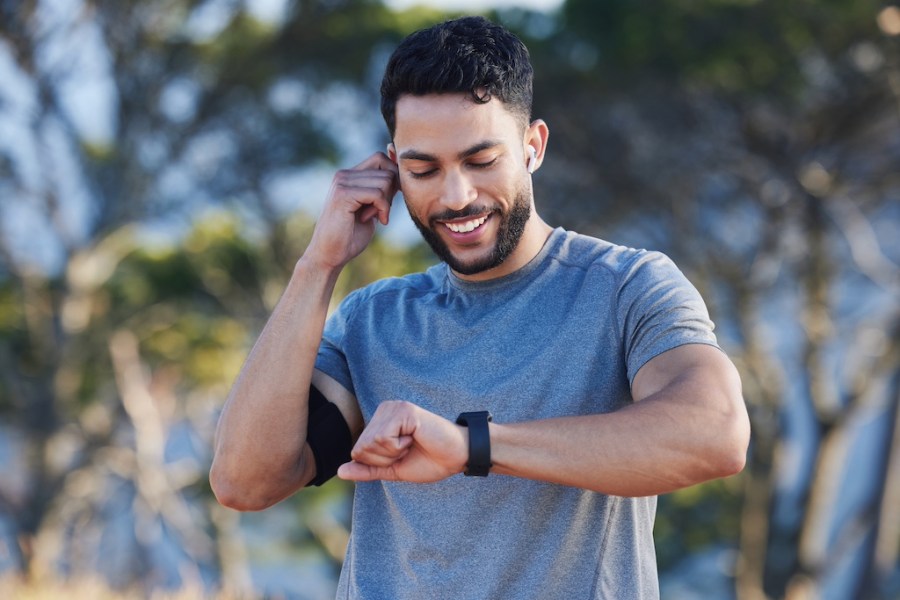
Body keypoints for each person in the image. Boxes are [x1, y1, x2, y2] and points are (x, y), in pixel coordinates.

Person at [210, 15, 750, 600]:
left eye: (481, 160)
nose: (455, 196)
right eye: (423, 169)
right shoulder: (373, 319)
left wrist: (473, 447)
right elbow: (246, 481)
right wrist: (318, 265)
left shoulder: (627, 288)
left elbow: (715, 435)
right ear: (392, 167)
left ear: (532, 147)